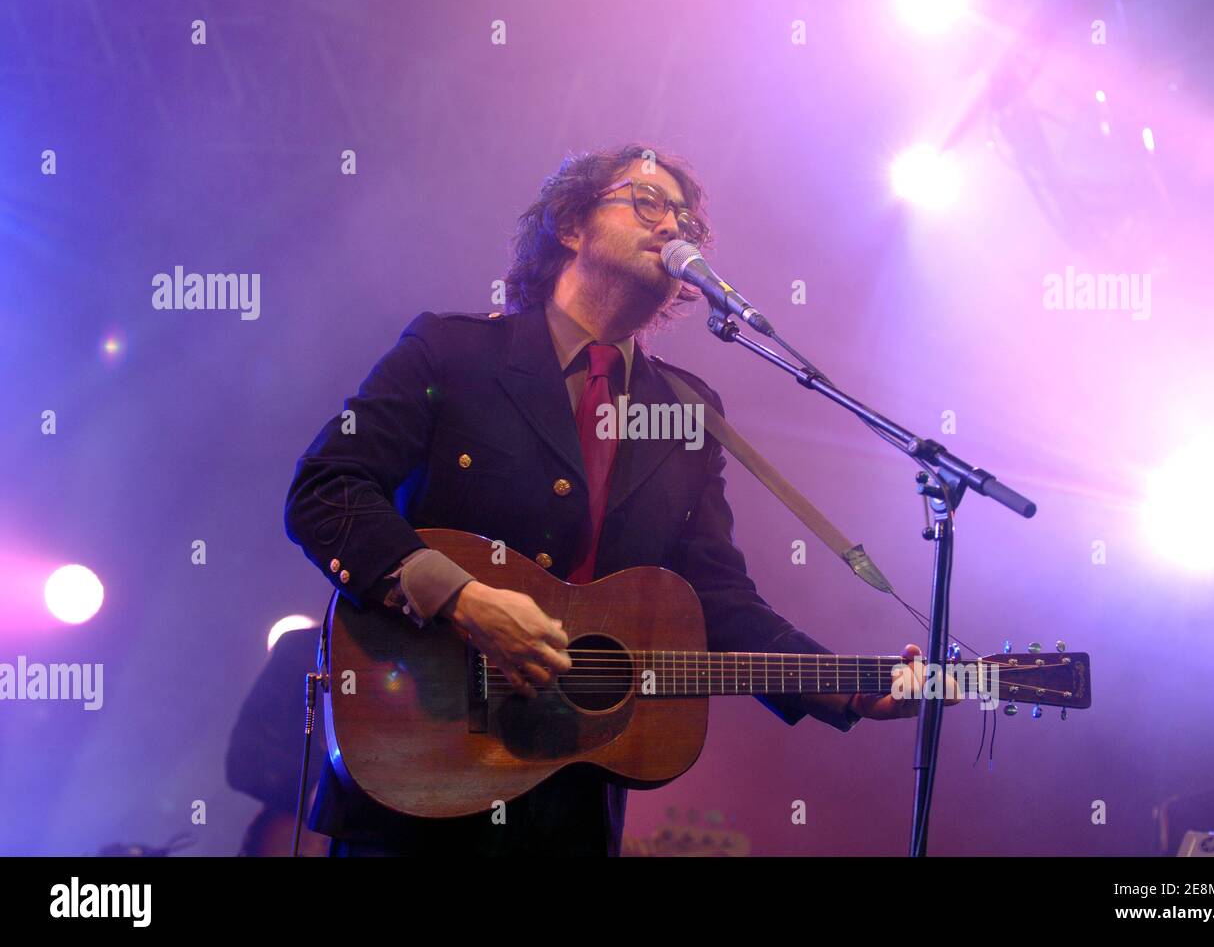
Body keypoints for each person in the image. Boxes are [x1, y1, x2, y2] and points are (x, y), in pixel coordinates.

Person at [284, 143, 943, 857]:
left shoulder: (689, 411)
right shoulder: (452, 353)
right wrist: (463, 598)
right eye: (648, 202)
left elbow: (718, 600)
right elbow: (325, 490)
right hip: (417, 786)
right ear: (572, 225)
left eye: (684, 217)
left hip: (572, 813)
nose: (672, 227)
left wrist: (847, 688)